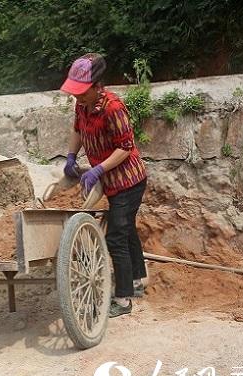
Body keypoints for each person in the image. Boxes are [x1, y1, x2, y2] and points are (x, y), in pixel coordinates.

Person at [60, 53, 148, 318]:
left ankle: (123, 300)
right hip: (109, 180)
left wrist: (98, 168)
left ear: (98, 86)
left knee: (115, 237)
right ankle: (137, 280)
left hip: (128, 181)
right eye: (75, 94)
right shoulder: (82, 106)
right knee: (126, 228)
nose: (78, 98)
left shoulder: (113, 108)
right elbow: (78, 129)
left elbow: (126, 147)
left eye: (82, 93)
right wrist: (72, 156)